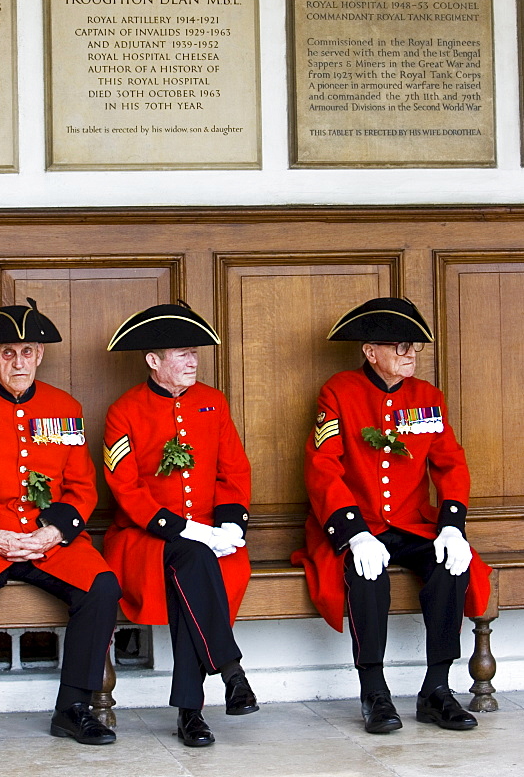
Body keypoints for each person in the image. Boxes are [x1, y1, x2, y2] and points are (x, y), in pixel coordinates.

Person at [0, 298, 121, 754]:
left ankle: (73, 708)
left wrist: (54, 532)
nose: (19, 361)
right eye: (8, 353)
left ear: (41, 355)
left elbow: (81, 487)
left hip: (44, 537)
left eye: (27, 351)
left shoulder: (63, 407)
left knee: (102, 586)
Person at [293, 297, 491, 735]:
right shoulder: (340, 392)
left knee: (453, 566)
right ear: (370, 351)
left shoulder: (427, 398)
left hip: (411, 522)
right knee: (367, 576)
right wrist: (353, 533)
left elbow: (451, 465)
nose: (411, 355)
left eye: (415, 347)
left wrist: (453, 527)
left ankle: (436, 689)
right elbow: (322, 467)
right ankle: (374, 691)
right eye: (401, 346)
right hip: (360, 524)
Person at [102, 303, 258, 747]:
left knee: (195, 575)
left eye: (196, 353)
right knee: (193, 560)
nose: (194, 362)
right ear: (153, 361)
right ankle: (229, 673)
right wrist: (185, 529)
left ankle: (193, 712)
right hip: (144, 536)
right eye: (183, 353)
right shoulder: (124, 411)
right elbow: (126, 489)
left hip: (211, 534)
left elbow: (235, 471)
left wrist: (230, 525)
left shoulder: (213, 402)